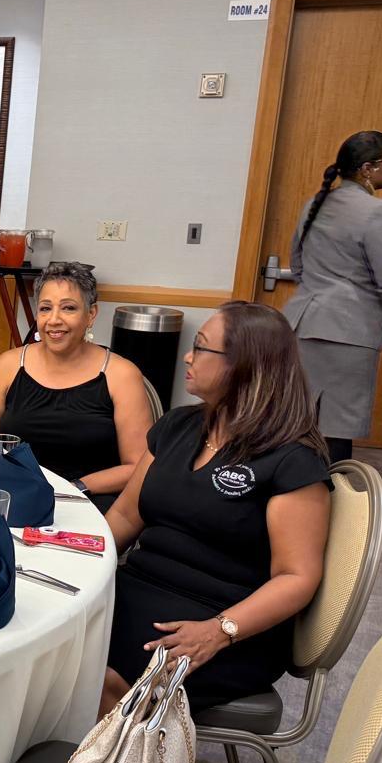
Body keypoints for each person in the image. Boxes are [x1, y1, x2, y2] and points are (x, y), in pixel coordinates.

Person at [99, 301, 331, 714]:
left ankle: (100, 755)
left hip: (225, 624)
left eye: (201, 347)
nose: (187, 357)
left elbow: (297, 577)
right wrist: (79, 563)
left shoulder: (292, 460)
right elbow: (125, 516)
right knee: (49, 639)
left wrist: (219, 631)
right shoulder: (177, 426)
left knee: (90, 676)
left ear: (244, 366)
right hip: (138, 589)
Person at [0, 262, 152, 513]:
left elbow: (138, 466)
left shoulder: (121, 374)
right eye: (45, 308)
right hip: (14, 495)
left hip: (88, 500)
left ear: (91, 314)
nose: (54, 320)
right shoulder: (9, 364)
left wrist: (75, 487)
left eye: (69, 308)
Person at [281, 130, 382, 464]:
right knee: (335, 431)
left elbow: (297, 262)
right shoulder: (376, 211)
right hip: (347, 333)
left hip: (300, 325)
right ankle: (329, 496)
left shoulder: (316, 203)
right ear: (368, 168)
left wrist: (320, 292)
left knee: (295, 422)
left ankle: (286, 491)